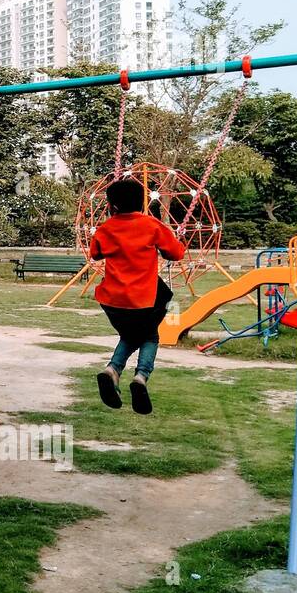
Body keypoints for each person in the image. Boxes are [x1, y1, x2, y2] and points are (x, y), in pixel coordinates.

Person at [90, 178, 185, 415]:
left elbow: (96, 254)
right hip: (143, 300)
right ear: (142, 204)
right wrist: (171, 240)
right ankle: (141, 377)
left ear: (112, 206)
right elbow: (176, 254)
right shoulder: (152, 226)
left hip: (112, 301)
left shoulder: (105, 229)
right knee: (150, 336)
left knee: (130, 335)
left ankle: (113, 371)